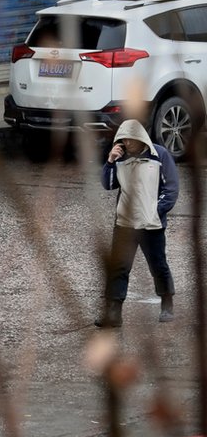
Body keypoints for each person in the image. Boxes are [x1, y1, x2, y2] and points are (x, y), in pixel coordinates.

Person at [95, 119, 179, 328]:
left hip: (151, 224)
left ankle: (167, 303)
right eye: (123, 140)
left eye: (130, 140)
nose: (126, 144)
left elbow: (171, 189)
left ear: (140, 138)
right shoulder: (121, 157)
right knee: (119, 268)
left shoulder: (160, 155)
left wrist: (154, 212)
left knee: (158, 265)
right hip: (124, 223)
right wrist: (110, 161)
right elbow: (108, 184)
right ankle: (114, 313)